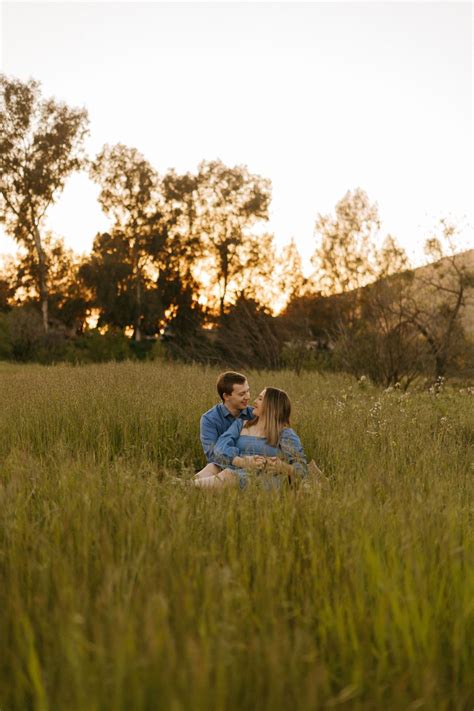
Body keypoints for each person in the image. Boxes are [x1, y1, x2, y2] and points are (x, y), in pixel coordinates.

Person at [193, 387, 307, 489]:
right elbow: (219, 447)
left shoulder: (285, 433)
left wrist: (282, 467)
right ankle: (186, 485)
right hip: (236, 467)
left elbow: (301, 468)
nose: (254, 401)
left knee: (228, 474)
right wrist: (242, 461)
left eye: (260, 399)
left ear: (271, 406)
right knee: (212, 466)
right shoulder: (241, 424)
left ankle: (184, 486)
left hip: (262, 478)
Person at [194, 371, 254, 480]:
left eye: (248, 391)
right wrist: (240, 460)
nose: (248, 397)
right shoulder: (209, 419)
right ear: (226, 396)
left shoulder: (254, 414)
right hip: (221, 467)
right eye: (242, 394)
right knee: (212, 466)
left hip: (250, 467)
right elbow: (213, 455)